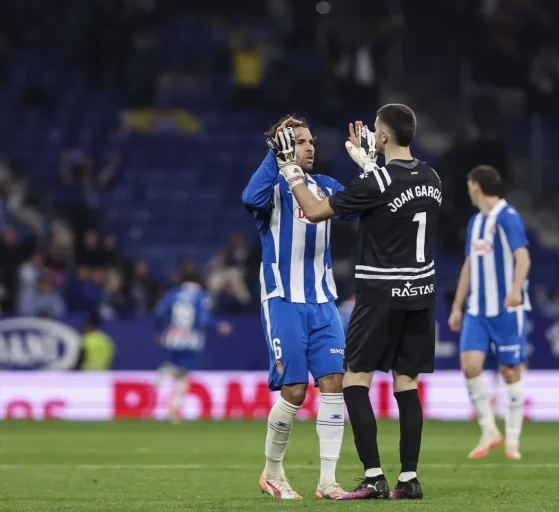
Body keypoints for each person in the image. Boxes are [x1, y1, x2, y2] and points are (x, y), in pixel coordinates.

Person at [282, 104, 441, 500]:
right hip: (421, 293)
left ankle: (373, 475)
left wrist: (291, 172)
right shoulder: (433, 177)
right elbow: (391, 208)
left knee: (355, 380)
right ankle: (408, 479)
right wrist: (370, 166)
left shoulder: (380, 181)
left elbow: (316, 210)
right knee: (406, 385)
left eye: (375, 129)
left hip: (381, 293)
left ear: (383, 136)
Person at [241, 115, 354, 500]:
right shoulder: (273, 189)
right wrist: (275, 156)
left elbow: (360, 207)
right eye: (300, 141)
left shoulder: (326, 187)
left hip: (324, 301)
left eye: (310, 142)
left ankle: (327, 482)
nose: (309, 147)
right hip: (284, 299)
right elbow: (248, 199)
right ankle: (272, 473)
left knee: (334, 384)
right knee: (293, 390)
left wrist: (371, 169)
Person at [447, 165, 532, 460]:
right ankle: (489, 429)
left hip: (507, 309)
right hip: (478, 310)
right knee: (470, 366)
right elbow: (470, 265)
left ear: (477, 186)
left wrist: (515, 291)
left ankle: (512, 442)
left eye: (470, 184)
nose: (468, 189)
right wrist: (458, 305)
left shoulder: (508, 218)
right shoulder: (475, 222)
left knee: (510, 372)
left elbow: (523, 259)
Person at [153, 271, 231, 423]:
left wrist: (161, 330)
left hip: (174, 335)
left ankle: (173, 410)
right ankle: (165, 372)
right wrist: (218, 324)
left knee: (180, 371)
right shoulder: (199, 294)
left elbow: (159, 311)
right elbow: (203, 317)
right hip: (190, 337)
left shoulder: (174, 293)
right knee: (183, 373)